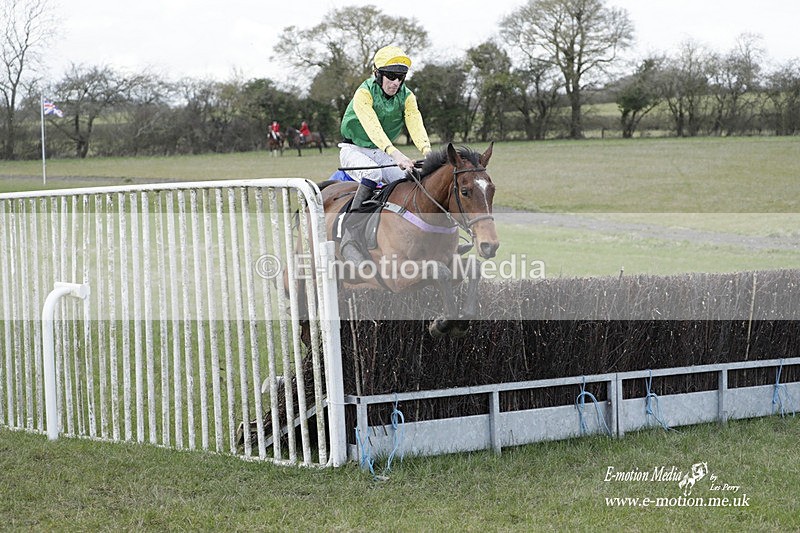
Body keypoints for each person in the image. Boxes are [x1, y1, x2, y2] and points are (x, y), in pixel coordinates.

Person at [338, 44, 432, 264]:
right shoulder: (363, 93)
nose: (396, 82)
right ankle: (349, 237)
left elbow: (415, 123)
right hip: (353, 150)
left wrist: (428, 152)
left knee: (405, 180)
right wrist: (395, 154)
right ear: (376, 74)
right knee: (373, 174)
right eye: (390, 76)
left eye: (401, 77)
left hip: (379, 151)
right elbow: (373, 128)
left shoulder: (407, 96)